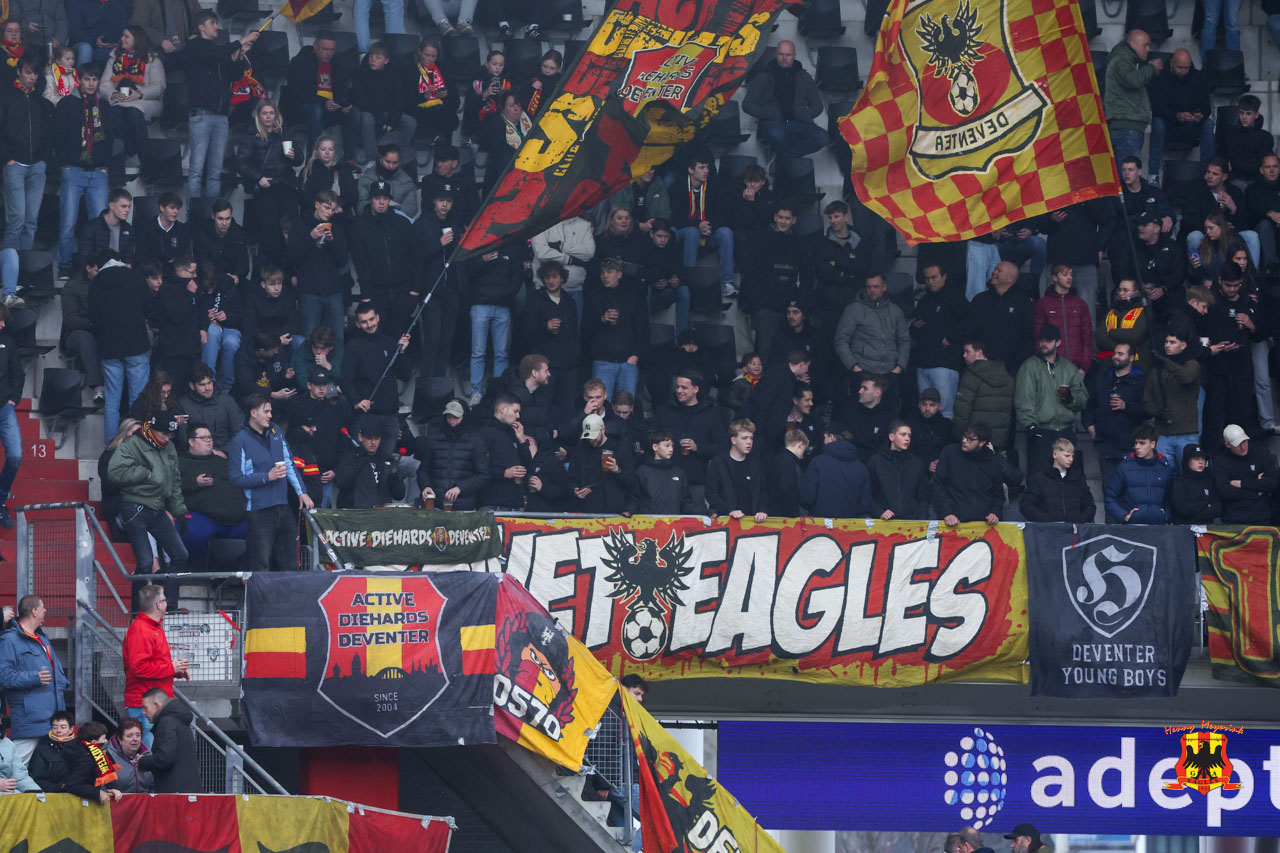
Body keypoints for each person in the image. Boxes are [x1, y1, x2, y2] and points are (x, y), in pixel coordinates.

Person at [108, 414, 187, 611]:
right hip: (134, 506)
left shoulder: (169, 447)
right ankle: (136, 613)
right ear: (151, 429)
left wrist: (179, 510)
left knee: (181, 555)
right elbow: (114, 473)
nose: (167, 439)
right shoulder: (132, 444)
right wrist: (146, 473)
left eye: (170, 435)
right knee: (145, 562)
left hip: (158, 508)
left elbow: (175, 481)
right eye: (163, 434)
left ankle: (170, 606)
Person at [227, 394, 314, 572]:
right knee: (261, 564)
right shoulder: (240, 440)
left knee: (291, 562)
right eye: (266, 411)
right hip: (259, 511)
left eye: (271, 411)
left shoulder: (275, 431)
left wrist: (301, 492)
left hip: (283, 506)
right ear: (253, 413)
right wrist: (267, 477)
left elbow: (289, 463)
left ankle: (290, 591)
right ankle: (260, 592)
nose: (270, 415)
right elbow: (236, 478)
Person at [184, 11, 257, 210]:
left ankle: (212, 215)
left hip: (221, 117)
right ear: (201, 27)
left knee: (215, 172)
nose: (217, 26)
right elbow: (213, 55)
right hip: (201, 115)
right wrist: (242, 40)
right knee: (196, 170)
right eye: (213, 23)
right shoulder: (195, 45)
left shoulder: (218, 51)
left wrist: (240, 55)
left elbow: (234, 75)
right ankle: (194, 215)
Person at [53, 63, 111, 281]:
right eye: (87, 78)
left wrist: (105, 166)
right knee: (68, 221)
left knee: (100, 224)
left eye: (94, 79)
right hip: (73, 169)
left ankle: (98, 266)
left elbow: (111, 137)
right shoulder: (67, 104)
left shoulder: (104, 106)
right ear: (79, 80)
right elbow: (58, 136)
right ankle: (65, 265)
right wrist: (65, 163)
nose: (91, 83)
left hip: (98, 171)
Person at [0, 595, 68, 765]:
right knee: (15, 768)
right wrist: (34, 677)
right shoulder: (9, 639)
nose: (45, 610)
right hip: (29, 721)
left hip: (52, 718)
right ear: (34, 611)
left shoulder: (43, 639)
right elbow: (4, 676)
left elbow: (57, 674)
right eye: (42, 607)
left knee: (51, 770)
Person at [1014, 324, 1087, 476]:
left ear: (1058, 342)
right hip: (1041, 430)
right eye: (1041, 340)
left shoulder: (1069, 368)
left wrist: (1071, 399)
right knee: (1039, 477)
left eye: (1048, 340)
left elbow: (1083, 399)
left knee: (1069, 478)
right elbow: (1023, 399)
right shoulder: (1029, 367)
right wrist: (1030, 426)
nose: (1043, 344)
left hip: (1065, 430)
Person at [0, 56, 54, 260]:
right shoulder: (6, 96)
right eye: (28, 72)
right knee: (17, 219)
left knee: (31, 221)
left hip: (37, 165)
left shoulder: (40, 100)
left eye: (35, 73)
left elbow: (48, 134)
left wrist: (43, 159)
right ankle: (10, 269)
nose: (32, 77)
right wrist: (8, 158)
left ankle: (25, 268)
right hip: (14, 164)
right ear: (19, 72)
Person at [122, 584, 188, 749]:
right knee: (150, 752)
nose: (167, 602)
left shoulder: (151, 627)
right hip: (145, 704)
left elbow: (150, 664)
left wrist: (175, 671)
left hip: (153, 702)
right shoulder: (142, 630)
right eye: (164, 599)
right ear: (158, 605)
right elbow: (138, 668)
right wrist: (171, 669)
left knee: (156, 751)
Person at [1202, 266, 1263, 442]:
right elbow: (1201, 330)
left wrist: (1251, 324)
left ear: (1241, 282)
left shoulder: (1248, 301)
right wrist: (1215, 346)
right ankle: (1214, 453)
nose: (1232, 289)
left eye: (1236, 285)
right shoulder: (1210, 301)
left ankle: (1241, 452)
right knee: (1215, 415)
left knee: (1241, 414)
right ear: (1220, 280)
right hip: (1217, 368)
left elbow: (1261, 335)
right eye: (1228, 285)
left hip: (1241, 367)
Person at [342, 301, 412, 452]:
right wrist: (356, 401)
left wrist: (401, 352)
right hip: (366, 417)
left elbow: (406, 375)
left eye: (371, 319)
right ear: (358, 324)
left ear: (378, 318)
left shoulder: (390, 342)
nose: (369, 324)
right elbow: (345, 380)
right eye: (364, 322)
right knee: (361, 460)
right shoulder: (353, 346)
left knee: (386, 462)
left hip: (390, 416)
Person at [742, 39, 825, 161]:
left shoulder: (804, 77)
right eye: (781, 54)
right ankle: (787, 158)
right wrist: (767, 114)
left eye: (788, 55)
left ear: (794, 55)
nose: (784, 58)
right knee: (776, 135)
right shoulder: (763, 76)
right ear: (776, 54)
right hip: (773, 123)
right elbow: (747, 104)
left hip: (799, 123)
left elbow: (818, 105)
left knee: (823, 137)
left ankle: (784, 157)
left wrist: (804, 115)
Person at [289, 190, 350, 346]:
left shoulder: (337, 228)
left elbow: (342, 261)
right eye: (326, 207)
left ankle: (335, 363)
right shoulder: (300, 224)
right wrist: (310, 237)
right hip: (309, 291)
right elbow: (291, 257)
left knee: (337, 340)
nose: (329, 213)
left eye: (333, 209)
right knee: (308, 339)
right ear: (317, 204)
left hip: (333, 291)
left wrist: (332, 241)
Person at [461, 248, 522, 405]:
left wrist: (509, 293)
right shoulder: (480, 246)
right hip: (480, 304)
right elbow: (466, 272)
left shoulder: (510, 247)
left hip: (503, 306)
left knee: (502, 353)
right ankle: (476, 392)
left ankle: (498, 393)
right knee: (478, 352)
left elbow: (517, 273)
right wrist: (482, 260)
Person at [100, 26, 165, 170]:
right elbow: (104, 85)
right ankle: (131, 151)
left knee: (134, 113)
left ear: (137, 39)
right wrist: (114, 94)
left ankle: (145, 159)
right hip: (121, 100)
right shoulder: (115, 58)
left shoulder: (152, 59)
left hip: (146, 100)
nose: (122, 39)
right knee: (113, 113)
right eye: (122, 36)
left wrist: (140, 93)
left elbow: (159, 86)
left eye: (126, 36)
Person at [1084, 341, 1146, 488]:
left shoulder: (1140, 380)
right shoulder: (1103, 376)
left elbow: (1148, 411)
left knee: (1129, 489)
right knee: (1109, 489)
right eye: (1115, 353)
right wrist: (1089, 424)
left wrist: (1126, 406)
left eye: (1120, 354)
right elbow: (1089, 403)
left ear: (1131, 358)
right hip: (1105, 443)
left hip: (1129, 443)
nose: (1115, 357)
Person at [672, 154, 736, 297]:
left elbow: (723, 215)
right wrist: (697, 225)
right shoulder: (678, 186)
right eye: (701, 167)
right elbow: (674, 218)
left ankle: (727, 282)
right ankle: (689, 280)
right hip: (685, 233)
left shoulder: (713, 187)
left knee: (726, 233)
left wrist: (709, 226)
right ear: (691, 170)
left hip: (708, 233)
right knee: (692, 232)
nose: (706, 171)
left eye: (707, 167)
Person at [281, 32, 357, 152]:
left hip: (329, 106)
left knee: (354, 113)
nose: (329, 53)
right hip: (303, 106)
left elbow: (341, 88)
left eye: (331, 50)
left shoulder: (337, 63)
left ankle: (348, 158)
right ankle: (312, 156)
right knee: (316, 110)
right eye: (325, 49)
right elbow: (296, 91)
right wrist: (324, 102)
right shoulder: (301, 61)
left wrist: (341, 104)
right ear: (315, 46)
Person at [1146, 49, 1214, 182]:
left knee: (1208, 124)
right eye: (1180, 68)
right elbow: (1157, 108)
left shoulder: (1198, 77)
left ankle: (1208, 172)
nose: (1184, 72)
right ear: (1171, 63)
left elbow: (1206, 106)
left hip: (1191, 125)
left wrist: (1200, 115)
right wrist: (1176, 115)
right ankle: (1153, 174)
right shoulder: (1159, 77)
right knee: (1157, 122)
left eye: (1186, 68)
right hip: (1168, 125)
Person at [180, 421, 247, 556]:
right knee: (194, 532)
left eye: (210, 437)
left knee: (260, 529)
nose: (208, 441)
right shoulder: (181, 463)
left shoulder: (222, 462)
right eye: (203, 438)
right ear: (191, 441)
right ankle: (196, 568)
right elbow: (172, 487)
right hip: (203, 518)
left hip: (237, 518)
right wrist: (195, 482)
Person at [933, 422, 1019, 525]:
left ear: (982, 442)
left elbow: (998, 493)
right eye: (965, 436)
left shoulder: (992, 461)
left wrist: (995, 513)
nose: (964, 440)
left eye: (970, 439)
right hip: (953, 521)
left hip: (984, 524)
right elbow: (938, 485)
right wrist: (946, 513)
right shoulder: (949, 453)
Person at [909, 265, 967, 418]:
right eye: (927, 278)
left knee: (945, 413)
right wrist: (915, 326)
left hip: (945, 364)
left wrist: (951, 338)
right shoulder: (924, 300)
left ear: (944, 276)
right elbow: (914, 330)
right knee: (925, 413)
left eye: (934, 277)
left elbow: (970, 322)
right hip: (923, 363)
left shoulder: (956, 297)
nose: (930, 282)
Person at [585, 259, 646, 399]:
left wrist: (635, 355)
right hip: (603, 361)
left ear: (619, 274)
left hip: (628, 362)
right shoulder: (593, 296)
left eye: (609, 272)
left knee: (626, 406)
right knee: (599, 405)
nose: (605, 276)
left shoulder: (632, 297)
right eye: (602, 272)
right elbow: (585, 328)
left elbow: (641, 328)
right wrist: (601, 319)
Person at [834, 275, 910, 385]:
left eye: (876, 286)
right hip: (863, 372)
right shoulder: (853, 310)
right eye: (868, 287)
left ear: (884, 287)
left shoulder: (895, 310)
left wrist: (899, 367)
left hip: (890, 372)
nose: (872, 290)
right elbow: (840, 340)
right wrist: (853, 366)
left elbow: (904, 340)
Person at [28, 715, 121, 804]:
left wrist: (113, 788)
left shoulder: (94, 752)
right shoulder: (82, 756)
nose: (58, 730)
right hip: (57, 800)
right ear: (94, 742)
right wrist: (96, 793)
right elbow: (73, 785)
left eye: (62, 727)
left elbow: (106, 771)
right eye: (55, 727)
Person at [350, 43, 415, 165]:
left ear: (386, 61)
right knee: (367, 119)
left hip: (388, 112)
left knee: (410, 122)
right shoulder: (361, 75)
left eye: (378, 57)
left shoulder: (395, 76)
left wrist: (391, 121)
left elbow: (398, 100)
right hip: (369, 112)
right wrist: (380, 119)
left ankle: (396, 157)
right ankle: (372, 159)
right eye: (371, 56)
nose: (372, 60)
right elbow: (363, 102)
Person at [966, 261, 1034, 377]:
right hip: (980, 367)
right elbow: (969, 331)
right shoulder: (980, 299)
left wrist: (1014, 364)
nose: (994, 272)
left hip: (1012, 370)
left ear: (1010, 278)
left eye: (999, 270)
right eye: (994, 269)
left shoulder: (1023, 303)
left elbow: (1028, 337)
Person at [1103, 30, 1162, 164]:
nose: (1148, 49)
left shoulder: (1125, 60)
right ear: (1133, 44)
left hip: (1127, 128)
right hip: (1125, 129)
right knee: (1128, 173)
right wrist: (1151, 68)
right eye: (1145, 45)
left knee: (1127, 172)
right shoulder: (1121, 61)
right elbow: (1133, 80)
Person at [416, 399, 485, 511]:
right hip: (435, 504)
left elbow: (483, 475)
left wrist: (460, 488)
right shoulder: (434, 439)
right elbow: (423, 470)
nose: (452, 421)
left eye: (456, 417)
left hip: (463, 506)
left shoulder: (476, 441)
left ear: (464, 417)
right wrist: (426, 486)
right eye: (449, 417)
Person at [566, 412, 636, 514]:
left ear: (603, 430)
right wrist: (574, 490)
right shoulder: (580, 450)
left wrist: (617, 470)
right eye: (589, 437)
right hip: (586, 509)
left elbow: (632, 483)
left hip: (613, 510)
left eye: (594, 436)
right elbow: (571, 478)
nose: (592, 440)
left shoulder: (619, 448)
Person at [953, 339, 1015, 450]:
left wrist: (959, 436)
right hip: (998, 440)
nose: (964, 355)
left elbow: (962, 411)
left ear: (979, 353)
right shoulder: (1007, 376)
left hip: (974, 440)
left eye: (967, 351)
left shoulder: (971, 376)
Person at [1105, 424, 1172, 524]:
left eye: (1142, 443)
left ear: (1153, 444)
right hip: (1132, 527)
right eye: (1136, 443)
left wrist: (1166, 516)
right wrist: (1124, 516)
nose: (1137, 447)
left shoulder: (1164, 467)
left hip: (1158, 527)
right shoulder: (1125, 466)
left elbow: (1171, 498)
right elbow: (1110, 497)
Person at [1019, 437, 1096, 522]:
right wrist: (1046, 521)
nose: (1071, 459)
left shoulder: (1079, 479)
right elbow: (1026, 505)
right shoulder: (1039, 479)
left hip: (1074, 529)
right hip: (1048, 529)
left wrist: (1078, 522)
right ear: (1055, 455)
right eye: (1067, 456)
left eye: (1072, 456)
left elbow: (1090, 507)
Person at [1214, 424, 1279, 524]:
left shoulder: (1261, 453)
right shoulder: (1220, 461)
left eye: (1244, 441)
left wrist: (1241, 483)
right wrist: (1256, 490)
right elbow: (1225, 491)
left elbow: (1272, 483)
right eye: (1237, 444)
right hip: (1233, 518)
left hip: (1260, 515)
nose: (1243, 447)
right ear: (1227, 445)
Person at [136, 689, 198, 793]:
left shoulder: (166, 723)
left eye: (145, 707)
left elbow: (164, 758)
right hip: (185, 790)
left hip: (174, 793)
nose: (143, 712)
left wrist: (143, 761)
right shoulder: (178, 720)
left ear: (156, 705)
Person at [336, 417, 406, 509]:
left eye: (376, 438)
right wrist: (360, 460)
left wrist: (395, 478)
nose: (373, 442)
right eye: (369, 438)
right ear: (360, 437)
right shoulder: (349, 458)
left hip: (380, 512)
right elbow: (342, 483)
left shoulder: (388, 460)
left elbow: (399, 495)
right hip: (355, 512)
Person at [478, 394, 533, 511]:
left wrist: (522, 439)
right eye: (515, 411)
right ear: (502, 408)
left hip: (515, 502)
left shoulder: (513, 433)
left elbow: (528, 465)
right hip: (493, 503)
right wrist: (503, 473)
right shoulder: (484, 433)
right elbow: (478, 467)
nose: (518, 416)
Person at [706, 419, 767, 521]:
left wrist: (762, 510)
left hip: (753, 521)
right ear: (733, 440)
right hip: (727, 520)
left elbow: (763, 491)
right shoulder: (718, 462)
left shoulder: (755, 463)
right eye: (744, 438)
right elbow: (711, 493)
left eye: (751, 438)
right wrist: (729, 510)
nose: (749, 442)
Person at [629, 430, 696, 515]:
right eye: (667, 446)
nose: (671, 449)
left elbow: (686, 503)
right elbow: (633, 499)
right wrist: (628, 510)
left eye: (672, 446)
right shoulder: (642, 472)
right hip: (649, 522)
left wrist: (706, 512)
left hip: (673, 522)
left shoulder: (679, 473)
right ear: (655, 447)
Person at [407, 39, 457, 143]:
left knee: (448, 114)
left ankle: (443, 143)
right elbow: (406, 100)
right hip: (420, 110)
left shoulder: (443, 70)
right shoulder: (411, 71)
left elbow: (455, 99)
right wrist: (424, 96)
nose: (430, 59)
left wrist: (446, 94)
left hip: (441, 110)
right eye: (427, 55)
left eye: (434, 56)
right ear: (420, 52)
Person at [1219, 95, 1274, 187]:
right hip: (1230, 179)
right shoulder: (1229, 133)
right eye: (1241, 113)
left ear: (1256, 115)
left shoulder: (1265, 137)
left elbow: (1261, 165)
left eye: (1248, 114)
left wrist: (1233, 164)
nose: (1244, 117)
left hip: (1254, 181)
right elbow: (1220, 155)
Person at [194, 200, 251, 287]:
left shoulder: (239, 233)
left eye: (228, 219)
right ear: (213, 216)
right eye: (220, 219)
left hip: (233, 279)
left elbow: (244, 262)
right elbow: (201, 260)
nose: (224, 223)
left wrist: (237, 276)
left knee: (251, 290)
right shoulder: (202, 232)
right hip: (209, 279)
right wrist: (222, 278)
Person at [357, 143, 418, 220]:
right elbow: (361, 207)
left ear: (399, 162)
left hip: (396, 221)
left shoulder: (407, 182)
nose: (391, 166)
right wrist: (380, 208)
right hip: (370, 220)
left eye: (395, 163)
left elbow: (412, 209)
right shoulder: (367, 178)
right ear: (381, 158)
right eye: (388, 162)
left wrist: (393, 208)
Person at [136, 193, 191, 268]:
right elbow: (142, 255)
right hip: (152, 269)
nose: (176, 211)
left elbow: (186, 255)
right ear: (162, 208)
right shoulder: (146, 227)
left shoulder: (182, 229)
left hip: (175, 269)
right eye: (172, 208)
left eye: (177, 208)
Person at [1171, 443, 1222, 524]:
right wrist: (1206, 503)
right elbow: (1182, 509)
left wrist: (1194, 511)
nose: (1201, 462)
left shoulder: (1209, 481)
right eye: (1196, 459)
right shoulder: (1178, 482)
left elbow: (1218, 508)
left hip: (1207, 528)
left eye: (1203, 459)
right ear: (1187, 461)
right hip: (1185, 528)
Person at [104, 717, 153, 794]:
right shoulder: (108, 757)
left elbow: (154, 785)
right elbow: (100, 787)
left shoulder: (148, 756)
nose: (135, 739)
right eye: (129, 736)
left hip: (146, 801)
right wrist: (108, 792)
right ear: (120, 739)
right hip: (118, 801)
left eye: (138, 735)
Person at [767, 428, 809, 517]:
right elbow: (785, 488)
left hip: (774, 512)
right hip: (785, 515)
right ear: (800, 444)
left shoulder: (777, 458)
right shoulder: (788, 461)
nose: (802, 456)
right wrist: (793, 513)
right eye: (804, 450)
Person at [0, 723, 39, 792]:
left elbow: (20, 777)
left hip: (9, 792)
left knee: (34, 797)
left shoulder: (8, 744)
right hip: (4, 792)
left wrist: (37, 793)